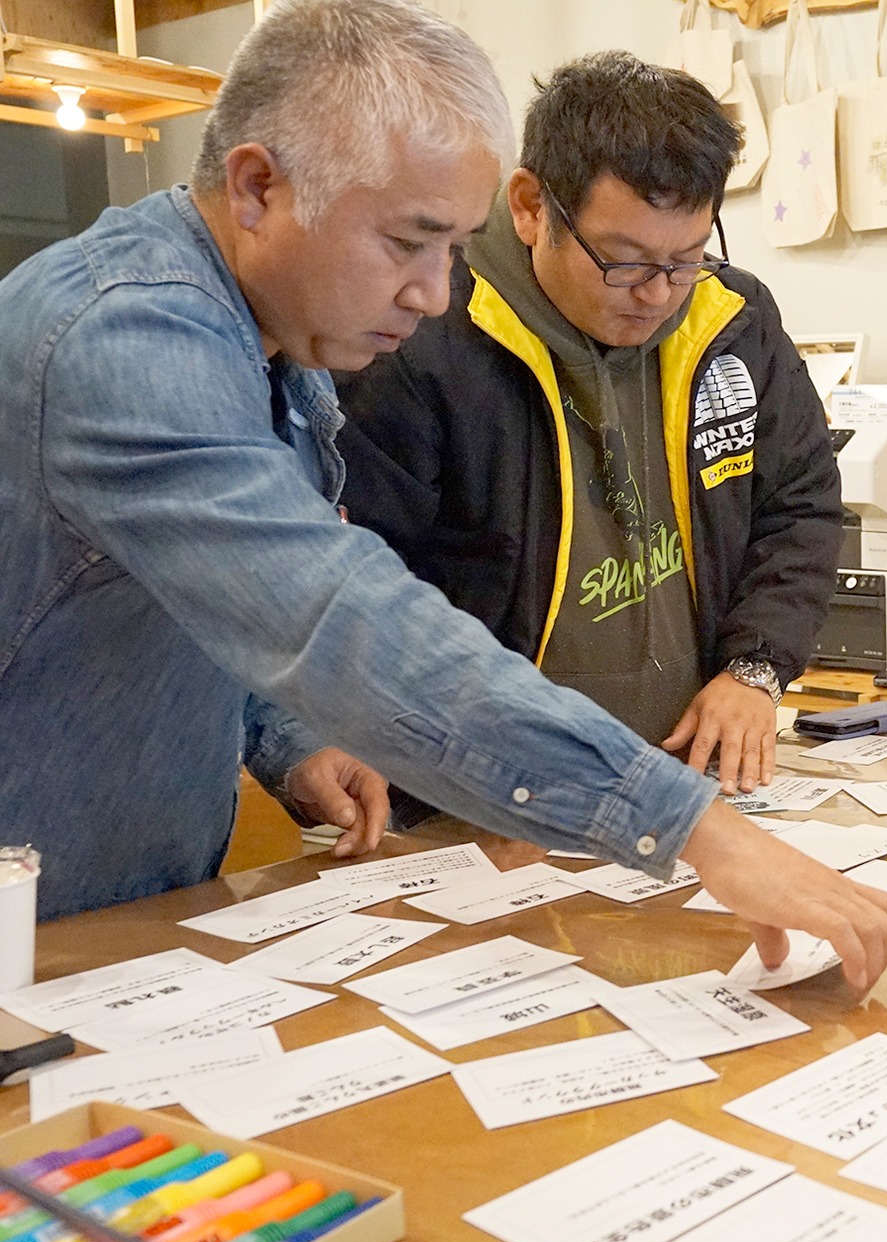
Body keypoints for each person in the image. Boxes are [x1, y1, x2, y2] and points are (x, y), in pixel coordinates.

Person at [0, 0, 887, 991]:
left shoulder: (276, 337)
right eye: (408, 243)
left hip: (114, 927)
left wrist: (287, 737)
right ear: (257, 186)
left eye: (454, 249)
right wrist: (693, 830)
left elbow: (211, 595)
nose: (434, 293)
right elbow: (333, 611)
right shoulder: (120, 341)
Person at [335, 53, 838, 798]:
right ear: (533, 206)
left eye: (688, 258)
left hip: (684, 784)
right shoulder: (424, 337)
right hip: (485, 793)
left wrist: (754, 670)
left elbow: (800, 507)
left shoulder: (733, 318)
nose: (659, 293)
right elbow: (361, 572)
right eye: (626, 261)